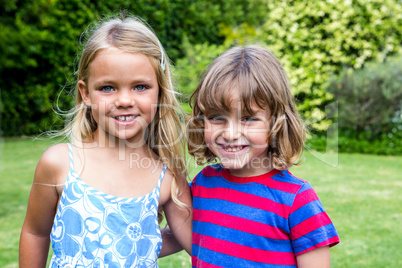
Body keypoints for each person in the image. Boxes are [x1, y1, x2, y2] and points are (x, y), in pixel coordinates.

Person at [19, 15, 192, 267]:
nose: (124, 100)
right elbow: (35, 233)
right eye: (108, 88)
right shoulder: (59, 164)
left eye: (140, 87)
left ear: (160, 91)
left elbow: (198, 241)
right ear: (85, 93)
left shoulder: (166, 175)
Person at [186, 45, 340, 267]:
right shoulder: (203, 183)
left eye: (248, 118)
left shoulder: (297, 201)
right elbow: (176, 236)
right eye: (217, 117)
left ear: (276, 123)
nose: (230, 134)